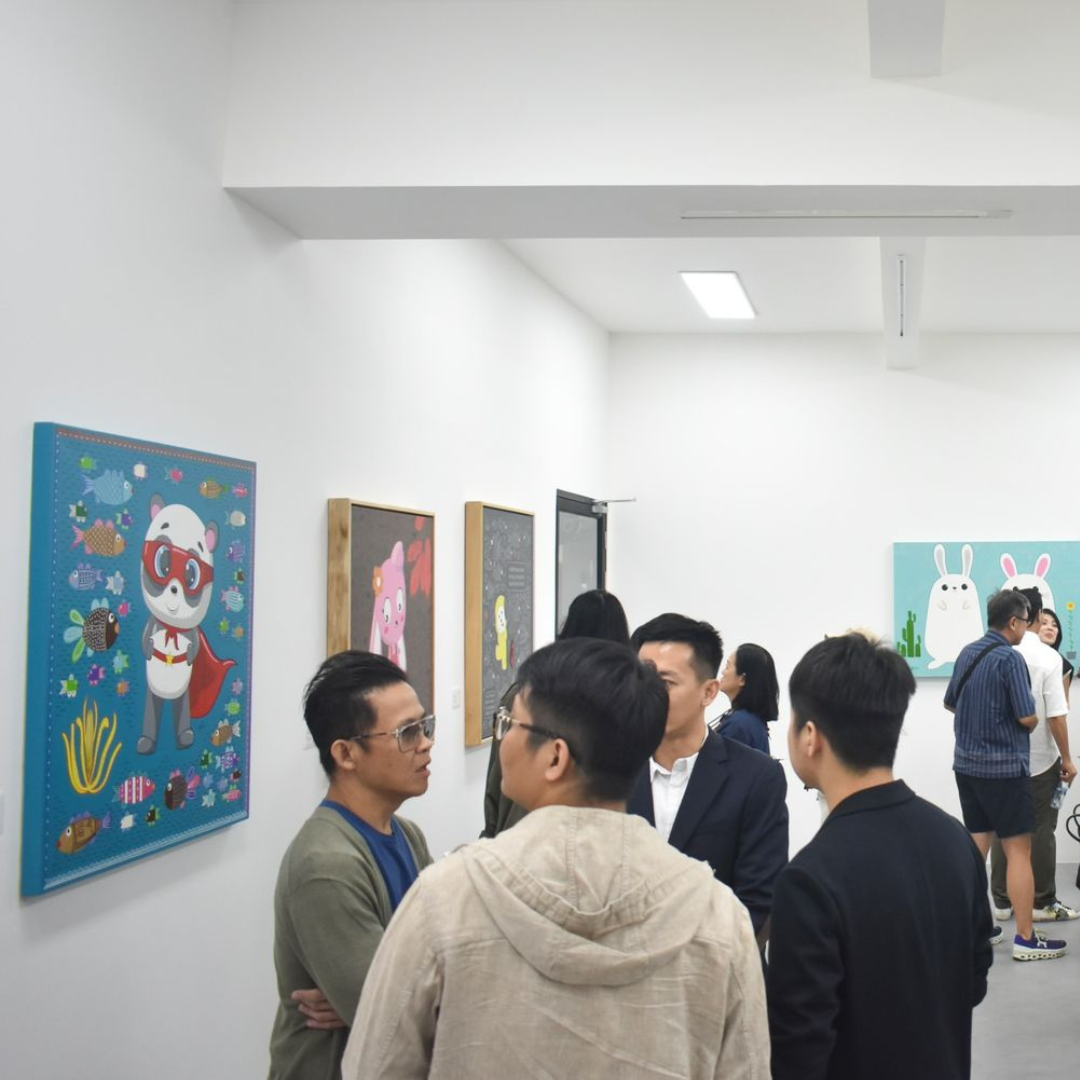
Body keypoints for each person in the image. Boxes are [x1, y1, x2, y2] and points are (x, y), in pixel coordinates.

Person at [342, 639, 770, 1080]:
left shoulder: (447, 898)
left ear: (555, 756)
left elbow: (375, 1067)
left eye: (510, 724)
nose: (503, 739)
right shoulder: (718, 917)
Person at [767, 633, 993, 1080]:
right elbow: (974, 981)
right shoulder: (955, 840)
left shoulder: (809, 879)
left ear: (810, 736)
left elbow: (798, 1050)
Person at [268, 652, 435, 1080]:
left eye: (424, 726)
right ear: (345, 754)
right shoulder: (325, 866)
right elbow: (396, 1022)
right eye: (407, 732)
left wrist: (388, 997)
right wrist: (384, 1001)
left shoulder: (407, 835)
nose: (425, 743)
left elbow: (441, 957)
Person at [627, 613, 788, 939]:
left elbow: (757, 902)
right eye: (642, 679)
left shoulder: (757, 778)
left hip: (717, 964)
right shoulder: (609, 771)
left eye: (666, 683)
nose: (649, 694)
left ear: (708, 692)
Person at [944, 589, 1066, 960]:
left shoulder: (968, 652)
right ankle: (1026, 939)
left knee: (976, 849)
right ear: (1013, 622)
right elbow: (1028, 717)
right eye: (1027, 621)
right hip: (1005, 771)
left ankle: (971, 931)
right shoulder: (1010, 659)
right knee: (1018, 853)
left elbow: (951, 703)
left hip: (966, 767)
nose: (1028, 628)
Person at [482, 588, 630, 837]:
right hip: (601, 838)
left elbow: (496, 781)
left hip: (519, 832)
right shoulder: (629, 703)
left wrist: (491, 834)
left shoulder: (525, 694)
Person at [990, 589, 1078, 924]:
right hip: (1041, 760)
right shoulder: (1047, 658)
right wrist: (1067, 759)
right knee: (1042, 829)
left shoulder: (990, 652)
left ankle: (1001, 902)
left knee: (1002, 827)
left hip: (998, 758)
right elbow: (1056, 715)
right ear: (1037, 616)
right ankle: (1042, 902)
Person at [712, 642, 780, 754]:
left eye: (727, 666)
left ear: (742, 679)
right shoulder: (750, 721)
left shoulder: (739, 725)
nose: (723, 672)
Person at [1038, 607, 1074, 702]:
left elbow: (1065, 703)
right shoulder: (1021, 657)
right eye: (1044, 623)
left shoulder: (1064, 665)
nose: (1050, 628)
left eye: (1054, 625)